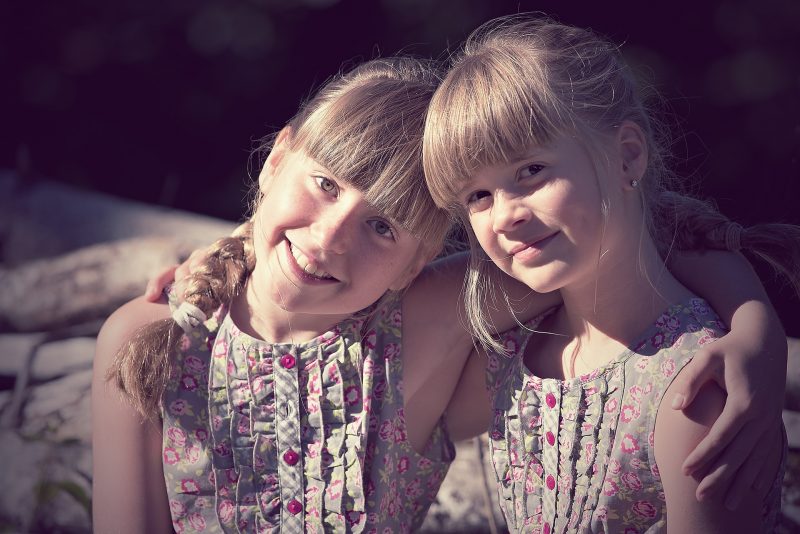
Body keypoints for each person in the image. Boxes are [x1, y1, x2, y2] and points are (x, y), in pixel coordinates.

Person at [99, 55, 782, 534]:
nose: (333, 238)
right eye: (325, 183)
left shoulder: (424, 320)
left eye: (383, 226)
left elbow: (625, 235)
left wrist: (757, 333)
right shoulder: (153, 336)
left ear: (417, 261)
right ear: (277, 159)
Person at [421, 15, 797, 532]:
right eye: (477, 196)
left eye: (530, 171)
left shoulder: (694, 393)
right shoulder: (510, 359)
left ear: (627, 156)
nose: (506, 215)